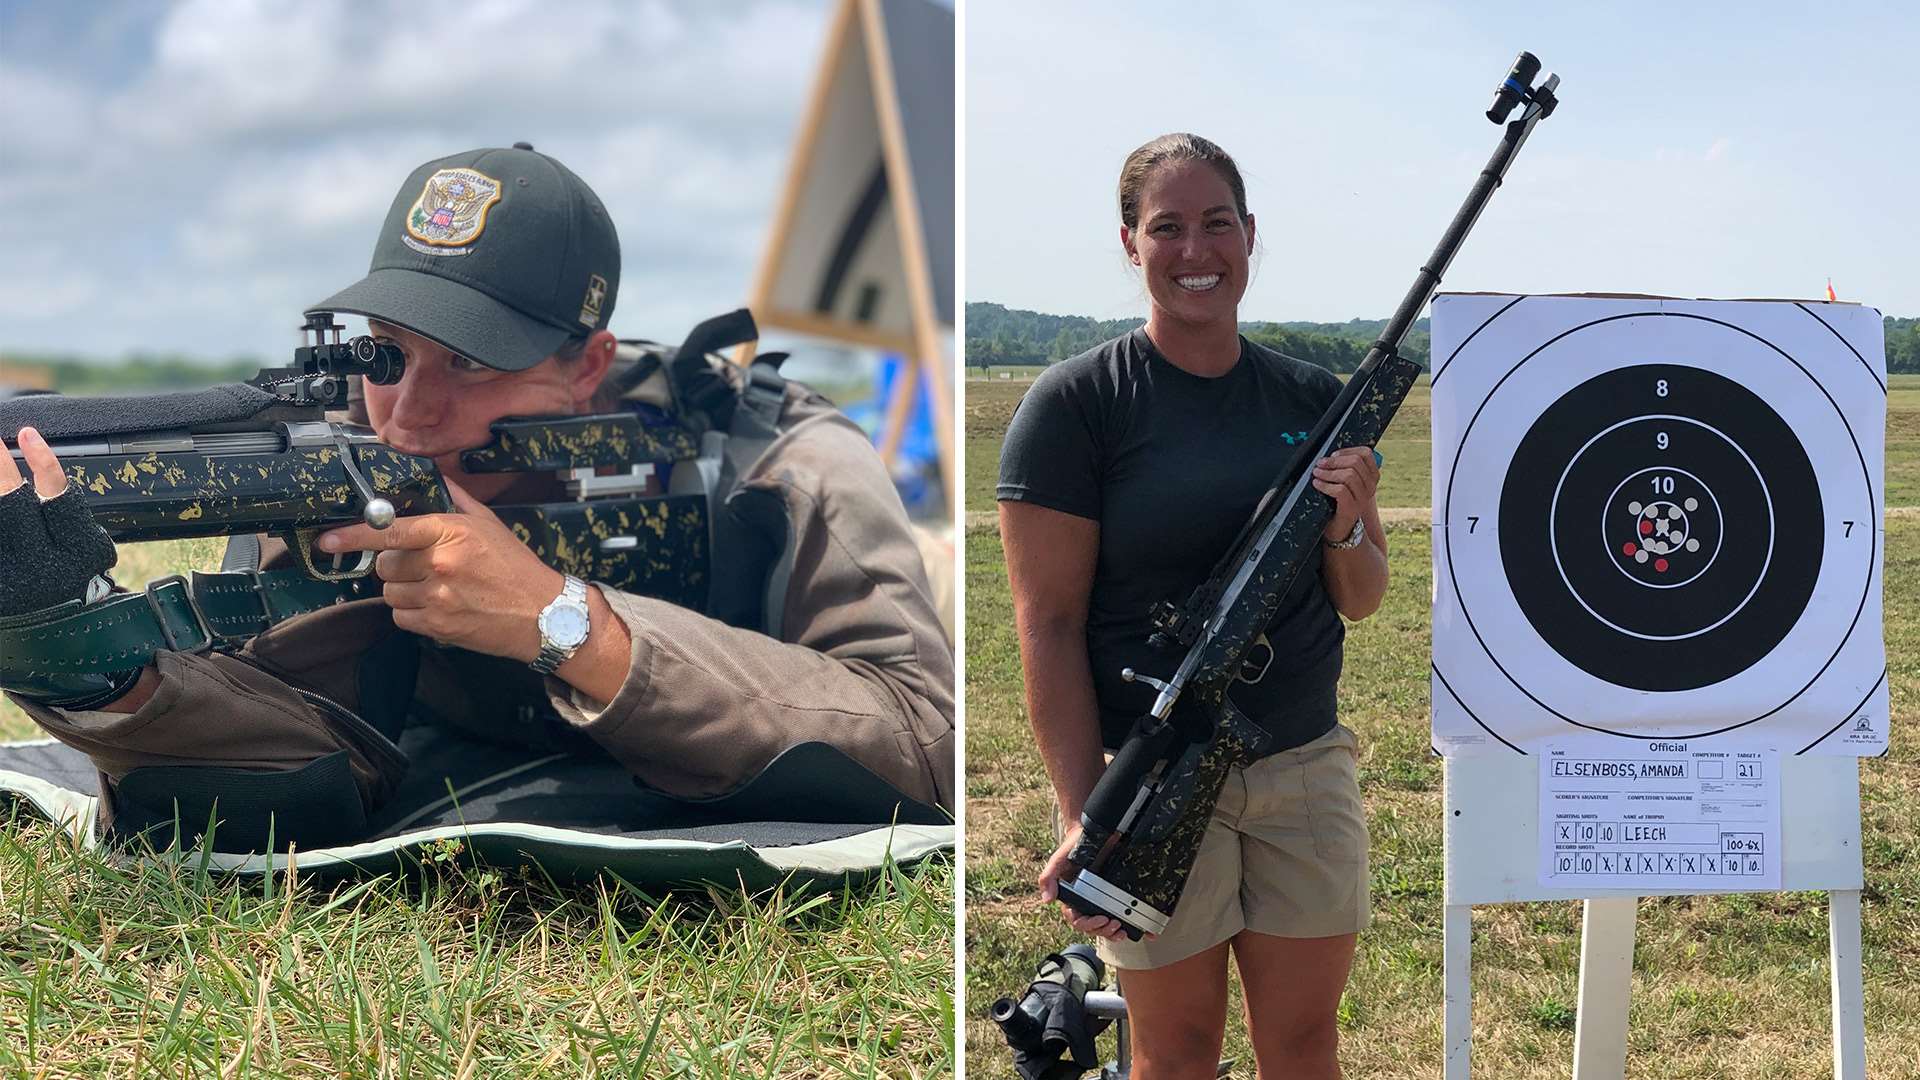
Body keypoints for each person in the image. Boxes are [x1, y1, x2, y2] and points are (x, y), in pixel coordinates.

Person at [0, 144, 953, 846]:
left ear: (588, 365)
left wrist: (567, 621)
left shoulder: (783, 464)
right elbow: (295, 761)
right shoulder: (336, 468)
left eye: (471, 363)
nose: (411, 414)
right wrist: (87, 661)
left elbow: (927, 741)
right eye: (388, 353)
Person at [996, 133, 1388, 1079]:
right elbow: (1046, 624)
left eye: (1217, 223)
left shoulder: (1313, 397)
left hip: (1303, 767)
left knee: (1304, 1044)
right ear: (1131, 245)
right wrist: (1084, 813)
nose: (1196, 251)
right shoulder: (1078, 404)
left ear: (1250, 235)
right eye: (1166, 227)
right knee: (1175, 1053)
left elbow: (1364, 596)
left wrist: (1348, 520)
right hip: (1161, 781)